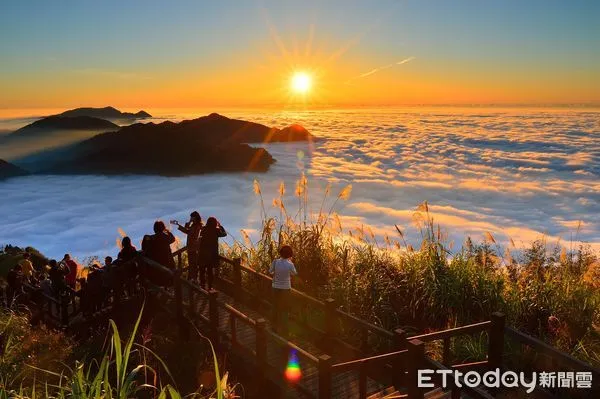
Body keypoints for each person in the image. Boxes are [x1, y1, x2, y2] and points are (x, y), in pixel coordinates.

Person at [269, 245, 297, 335]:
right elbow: (294, 273)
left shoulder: (275, 261)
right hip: (285, 289)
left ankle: (273, 327)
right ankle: (285, 330)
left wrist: (276, 274)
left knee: (275, 307)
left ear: (280, 253)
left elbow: (270, 271)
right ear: (290, 254)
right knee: (284, 309)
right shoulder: (290, 264)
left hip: (275, 287)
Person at [171, 211, 202, 281]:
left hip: (193, 247)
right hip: (191, 247)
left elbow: (189, 232)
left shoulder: (197, 226)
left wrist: (188, 223)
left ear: (195, 217)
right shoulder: (195, 225)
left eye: (191, 217)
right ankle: (192, 278)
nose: (190, 218)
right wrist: (179, 224)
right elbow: (188, 231)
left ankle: (193, 279)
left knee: (193, 264)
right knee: (192, 263)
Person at [198, 217, 226, 290]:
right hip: (212, 254)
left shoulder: (203, 229)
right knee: (210, 271)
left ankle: (202, 285)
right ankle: (210, 287)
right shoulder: (216, 230)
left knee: (202, 270)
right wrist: (220, 226)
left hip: (203, 252)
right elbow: (224, 234)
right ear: (215, 223)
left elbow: (200, 237)